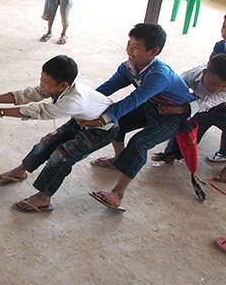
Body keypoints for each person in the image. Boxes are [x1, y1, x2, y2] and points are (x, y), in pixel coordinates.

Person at [0, 55, 117, 212]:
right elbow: (27, 94)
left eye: (46, 82)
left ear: (63, 85)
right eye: (42, 78)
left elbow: (36, 111)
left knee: (62, 156)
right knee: (48, 142)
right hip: (81, 121)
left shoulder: (72, 101)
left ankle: (44, 197)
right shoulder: (60, 88)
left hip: (102, 130)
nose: (42, 84)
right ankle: (22, 170)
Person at [79, 24, 195, 210]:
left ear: (154, 51)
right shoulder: (128, 67)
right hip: (152, 106)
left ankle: (118, 193)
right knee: (116, 123)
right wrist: (84, 103)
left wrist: (101, 119)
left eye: (136, 47)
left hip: (174, 117)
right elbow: (106, 89)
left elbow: (133, 100)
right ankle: (118, 159)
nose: (129, 51)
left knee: (139, 142)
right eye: (128, 44)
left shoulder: (159, 74)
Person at [150, 54, 226, 169]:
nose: (219, 89)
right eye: (215, 84)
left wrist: (176, 109)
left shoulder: (222, 91)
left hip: (222, 111)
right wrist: (167, 103)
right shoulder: (193, 74)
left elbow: (205, 103)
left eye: (224, 86)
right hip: (202, 109)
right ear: (204, 72)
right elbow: (176, 86)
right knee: (188, 127)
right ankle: (171, 154)